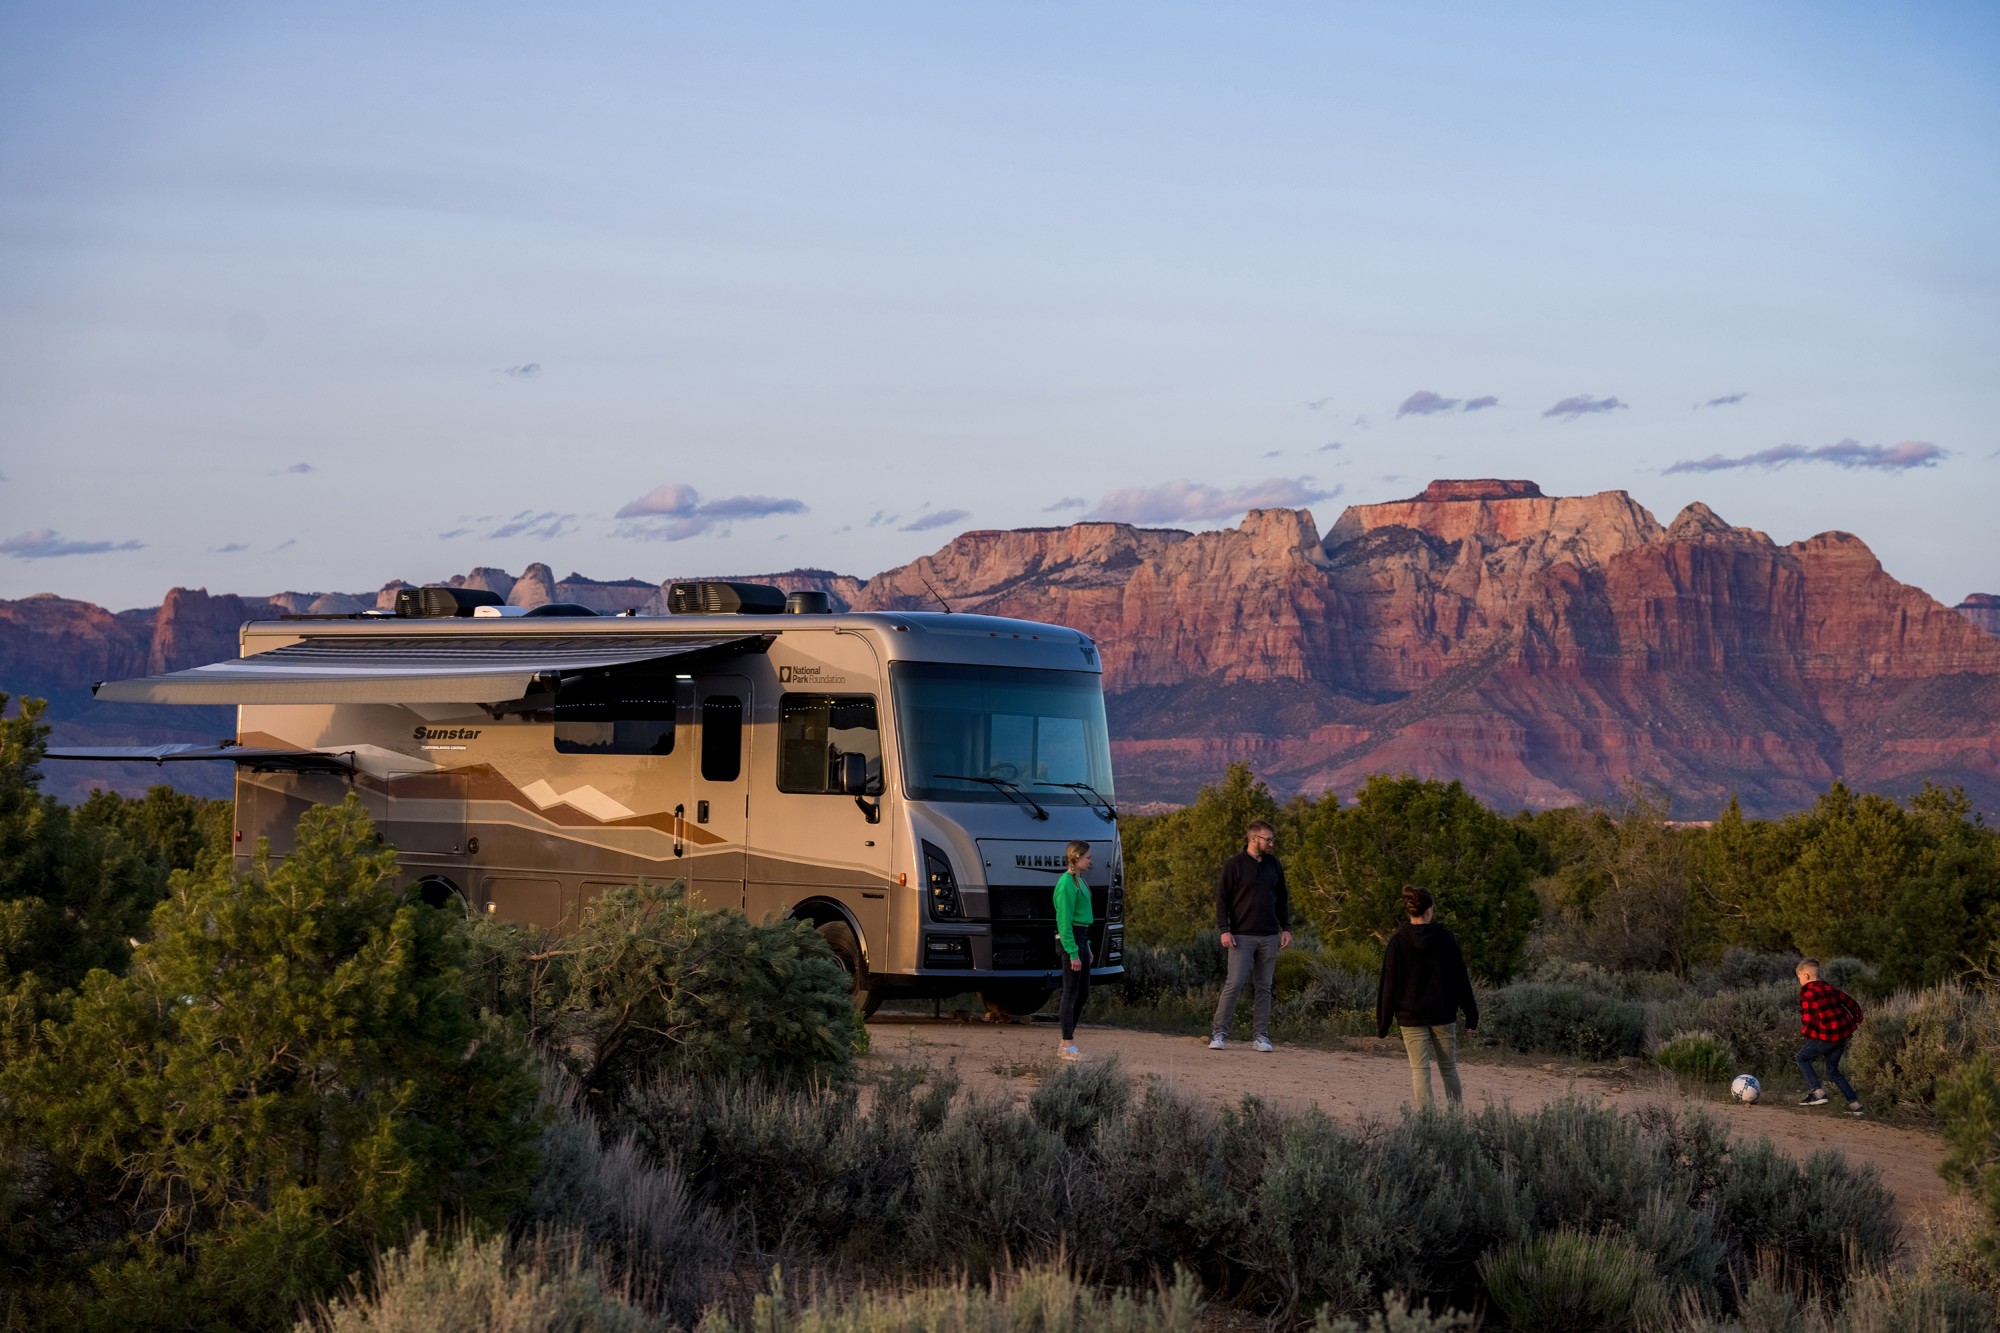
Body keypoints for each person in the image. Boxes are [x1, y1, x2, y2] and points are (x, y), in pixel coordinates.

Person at [1375, 885, 1478, 1110]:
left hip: (1410, 1016)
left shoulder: (1397, 943)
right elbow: (1461, 979)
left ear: (1410, 911)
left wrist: (1383, 1024)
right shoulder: (1446, 939)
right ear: (1429, 910)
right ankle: (1456, 1119)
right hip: (1443, 1014)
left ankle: (1427, 1124)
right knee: (1448, 1068)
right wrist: (1471, 1016)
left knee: (1420, 1071)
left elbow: (1388, 985)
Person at [1209, 820, 1291, 1052]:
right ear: (1254, 839)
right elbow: (1222, 900)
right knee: (1234, 984)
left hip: (1269, 935)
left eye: (1272, 839)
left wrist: (1285, 928)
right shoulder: (1234, 865)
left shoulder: (1274, 864)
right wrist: (1224, 930)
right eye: (1268, 839)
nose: (1272, 843)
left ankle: (1261, 1036)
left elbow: (1283, 898)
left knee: (1264, 986)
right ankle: (1219, 1033)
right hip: (1241, 936)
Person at [1794, 958, 1864, 1116]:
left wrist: (1807, 1035)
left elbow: (1807, 1020)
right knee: (1833, 1071)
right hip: (1842, 1036)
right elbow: (1851, 1003)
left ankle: (1818, 1093)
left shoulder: (1808, 993)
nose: (1799, 981)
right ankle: (1855, 1105)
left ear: (1805, 975)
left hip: (1826, 1037)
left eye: (1799, 977)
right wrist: (1858, 1018)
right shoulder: (1829, 988)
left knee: (1801, 1058)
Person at [1054, 839, 1095, 1061]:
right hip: (1071, 941)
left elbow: (1082, 920)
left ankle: (1066, 1041)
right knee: (1070, 993)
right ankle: (1067, 1044)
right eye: (1088, 857)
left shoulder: (1080, 881)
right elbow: (1064, 921)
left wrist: (1085, 946)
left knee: (1083, 993)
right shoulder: (1066, 884)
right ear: (1077, 857)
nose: (1091, 861)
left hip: (1081, 939)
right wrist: (1072, 952)